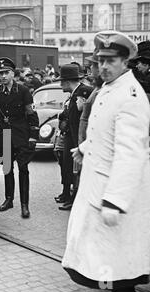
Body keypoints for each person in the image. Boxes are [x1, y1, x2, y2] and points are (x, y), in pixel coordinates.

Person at [62, 30, 150, 292]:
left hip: (116, 192)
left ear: (126, 62)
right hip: (98, 184)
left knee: (121, 264)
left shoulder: (132, 97)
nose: (104, 67)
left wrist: (115, 200)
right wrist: (84, 148)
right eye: (101, 60)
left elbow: (130, 153)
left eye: (111, 61)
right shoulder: (109, 89)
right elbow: (103, 130)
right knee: (113, 260)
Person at [0, 57, 39, 219]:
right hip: (4, 136)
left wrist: (33, 136)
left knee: (23, 170)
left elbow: (31, 114)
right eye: (0, 73)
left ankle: (24, 205)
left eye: (6, 73)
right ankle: (9, 199)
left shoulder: (23, 91)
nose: (3, 76)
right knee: (7, 169)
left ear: (13, 74)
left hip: (21, 136)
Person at [56, 64, 93, 211]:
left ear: (67, 81)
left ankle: (75, 198)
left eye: (62, 81)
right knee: (68, 167)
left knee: (77, 170)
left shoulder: (84, 91)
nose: (60, 85)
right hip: (71, 135)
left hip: (79, 137)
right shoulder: (75, 93)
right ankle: (69, 195)